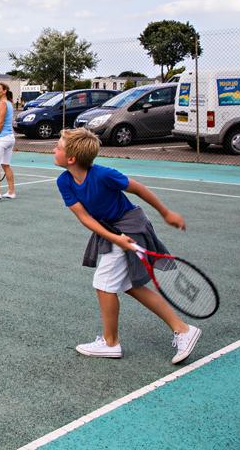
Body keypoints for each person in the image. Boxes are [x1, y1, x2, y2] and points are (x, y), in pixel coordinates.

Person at [54, 127, 201, 364]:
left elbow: (138, 189)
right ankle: (182, 329)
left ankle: (111, 343)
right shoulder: (65, 182)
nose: (54, 149)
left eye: (58, 147)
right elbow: (85, 218)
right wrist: (115, 238)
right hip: (112, 231)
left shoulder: (103, 175)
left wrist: (166, 213)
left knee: (104, 285)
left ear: (71, 159)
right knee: (131, 286)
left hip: (132, 225)